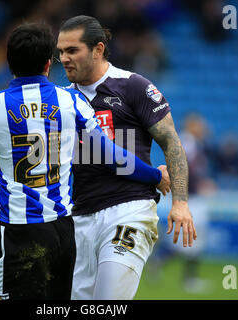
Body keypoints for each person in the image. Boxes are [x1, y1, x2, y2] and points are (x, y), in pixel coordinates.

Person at [0, 22, 170, 300]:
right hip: (62, 230)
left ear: (9, 63)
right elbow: (112, 156)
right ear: (47, 64)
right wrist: (155, 175)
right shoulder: (72, 100)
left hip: (17, 230)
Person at [57, 15, 197, 300]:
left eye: (72, 51)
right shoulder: (61, 100)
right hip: (80, 216)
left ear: (97, 49)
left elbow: (171, 142)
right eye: (60, 52)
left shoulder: (132, 86)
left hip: (128, 210)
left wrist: (180, 202)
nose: (64, 58)